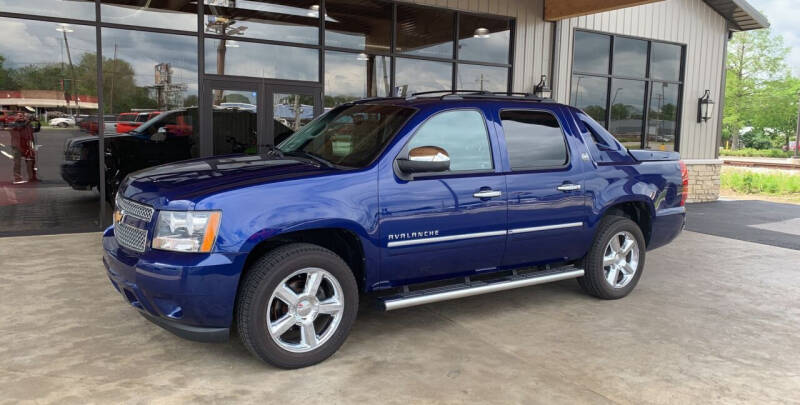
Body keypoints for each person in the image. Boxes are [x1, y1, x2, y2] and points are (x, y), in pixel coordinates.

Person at [10, 111, 38, 184]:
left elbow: (36, 130)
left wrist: (38, 122)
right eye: (19, 115)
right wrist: (28, 121)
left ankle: (32, 178)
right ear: (15, 117)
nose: (21, 116)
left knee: (31, 162)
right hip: (17, 145)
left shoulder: (28, 124)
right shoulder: (13, 124)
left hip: (29, 145)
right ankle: (17, 179)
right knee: (17, 162)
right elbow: (19, 128)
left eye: (22, 115)